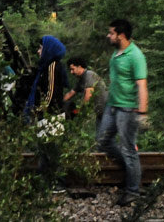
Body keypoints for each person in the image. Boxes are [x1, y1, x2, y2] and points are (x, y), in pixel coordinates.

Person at [97, 19, 148, 206]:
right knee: (102, 140)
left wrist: (142, 112)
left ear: (121, 35)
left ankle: (133, 190)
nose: (108, 36)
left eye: (111, 33)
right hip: (113, 106)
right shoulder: (117, 53)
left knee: (128, 149)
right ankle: (130, 170)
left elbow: (142, 85)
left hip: (127, 108)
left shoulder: (136, 56)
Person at [23, 35, 68, 191]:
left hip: (52, 115)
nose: (38, 51)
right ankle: (46, 180)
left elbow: (51, 92)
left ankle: (57, 181)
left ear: (48, 49)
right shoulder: (47, 66)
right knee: (46, 148)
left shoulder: (52, 67)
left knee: (51, 149)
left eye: (41, 48)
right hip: (49, 115)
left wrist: (40, 109)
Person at [63, 55, 108, 135]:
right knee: (101, 139)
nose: (71, 72)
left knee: (104, 139)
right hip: (100, 113)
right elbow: (70, 93)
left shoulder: (89, 75)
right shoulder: (81, 80)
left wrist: (79, 111)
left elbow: (88, 95)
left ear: (79, 67)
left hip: (107, 111)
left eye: (72, 69)